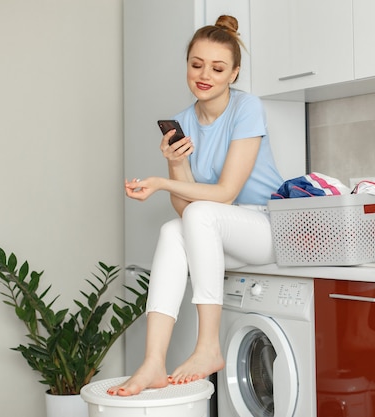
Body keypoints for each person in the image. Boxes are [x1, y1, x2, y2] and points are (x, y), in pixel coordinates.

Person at [108, 15, 284, 396]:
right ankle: (154, 360)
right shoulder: (184, 120)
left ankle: (208, 346)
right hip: (219, 231)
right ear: (187, 65)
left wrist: (158, 181)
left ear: (234, 74)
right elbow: (185, 210)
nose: (205, 74)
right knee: (173, 229)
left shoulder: (247, 109)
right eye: (196, 64)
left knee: (200, 214)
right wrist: (174, 162)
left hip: (267, 227)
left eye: (218, 68)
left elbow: (225, 193)